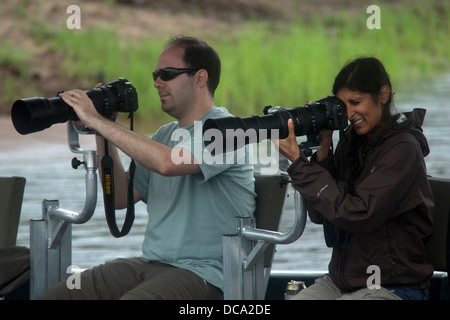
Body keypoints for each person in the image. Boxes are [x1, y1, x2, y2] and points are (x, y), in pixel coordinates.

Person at [42, 36, 256, 300]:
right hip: (153, 264)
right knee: (59, 296)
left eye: (167, 74)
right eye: (156, 74)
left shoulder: (230, 130)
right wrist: (102, 130)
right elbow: (121, 198)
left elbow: (168, 163)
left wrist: (98, 121)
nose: (157, 82)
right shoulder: (165, 135)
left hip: (208, 275)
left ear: (200, 78)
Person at [278, 57, 434, 300]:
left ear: (383, 95)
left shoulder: (403, 149)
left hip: (393, 287)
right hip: (342, 284)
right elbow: (321, 214)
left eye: (356, 102)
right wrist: (324, 148)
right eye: (342, 106)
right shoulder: (353, 141)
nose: (349, 114)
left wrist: (299, 165)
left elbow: (357, 214)